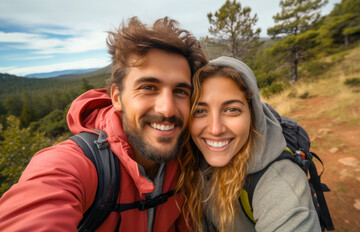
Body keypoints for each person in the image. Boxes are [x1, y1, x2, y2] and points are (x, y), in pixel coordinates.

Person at [0, 17, 207, 231]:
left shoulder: (194, 157)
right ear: (117, 97)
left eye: (181, 91)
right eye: (148, 87)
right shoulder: (74, 164)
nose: (168, 109)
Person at [177, 56, 322, 231]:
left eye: (232, 110)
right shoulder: (187, 157)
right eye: (200, 111)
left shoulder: (279, 183)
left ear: (253, 115)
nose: (215, 129)